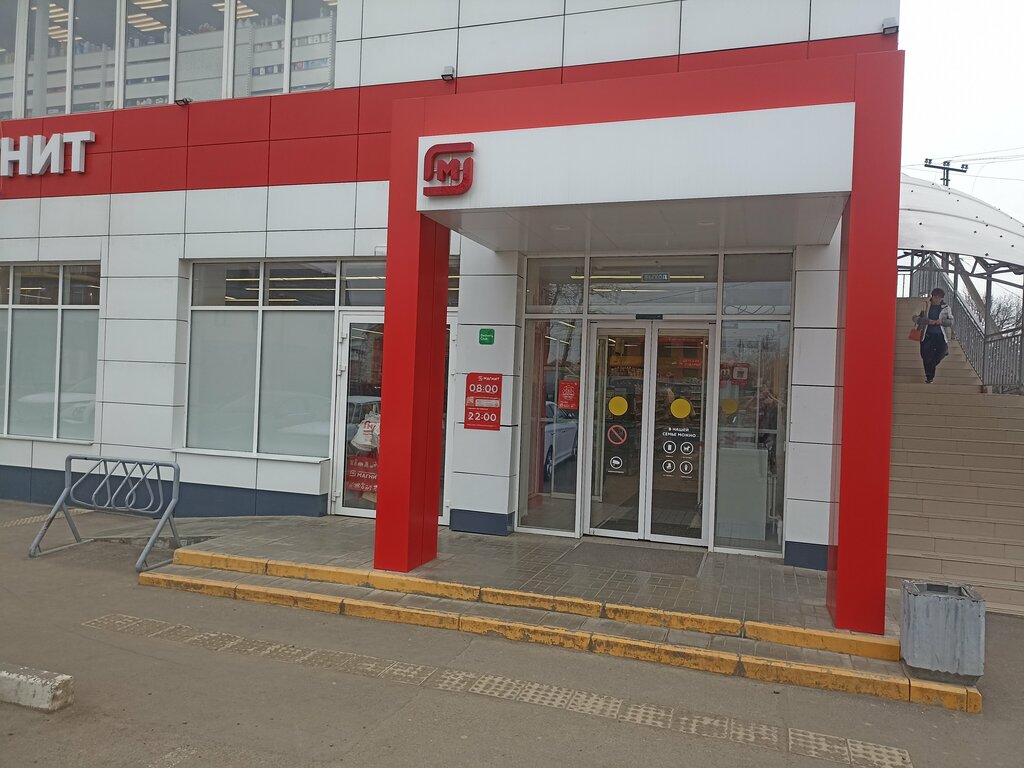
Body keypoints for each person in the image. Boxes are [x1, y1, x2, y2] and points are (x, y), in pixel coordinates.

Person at [913, 288, 953, 383]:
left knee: (940, 353)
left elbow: (951, 321)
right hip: (926, 334)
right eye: (935, 297)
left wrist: (942, 321)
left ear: (942, 298)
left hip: (940, 335)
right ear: (932, 296)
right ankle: (929, 377)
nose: (937, 299)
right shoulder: (924, 305)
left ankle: (931, 367)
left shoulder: (946, 308)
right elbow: (914, 317)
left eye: (939, 297)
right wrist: (927, 321)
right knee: (925, 355)